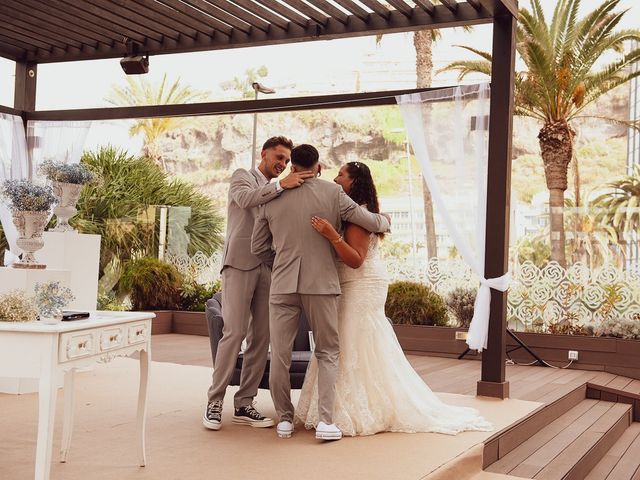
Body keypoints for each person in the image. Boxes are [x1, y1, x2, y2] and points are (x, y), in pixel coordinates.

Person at [296, 161, 493, 436]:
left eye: (341, 174)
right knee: (353, 338)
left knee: (353, 338)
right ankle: (338, 406)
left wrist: (331, 236)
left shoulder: (358, 215)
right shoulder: (358, 212)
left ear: (354, 181)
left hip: (360, 282)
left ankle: (358, 409)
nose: (336, 177)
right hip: (358, 281)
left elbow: (355, 260)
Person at [251, 145, 390, 441]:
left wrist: (281, 266)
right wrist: (386, 221)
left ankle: (285, 421)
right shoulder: (332, 193)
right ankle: (326, 422)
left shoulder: (272, 198)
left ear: (293, 166)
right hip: (321, 284)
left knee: (280, 354)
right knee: (327, 351)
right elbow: (369, 221)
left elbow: (258, 247)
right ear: (317, 166)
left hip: (283, 285)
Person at [203, 136, 315, 431]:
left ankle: (244, 403)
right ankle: (214, 401)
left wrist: (309, 178)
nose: (282, 164)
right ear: (263, 153)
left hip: (269, 266)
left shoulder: (286, 186)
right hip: (239, 263)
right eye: (278, 157)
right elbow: (245, 200)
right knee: (234, 331)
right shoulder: (243, 176)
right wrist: (281, 184)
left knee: (261, 337)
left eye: (286, 161)